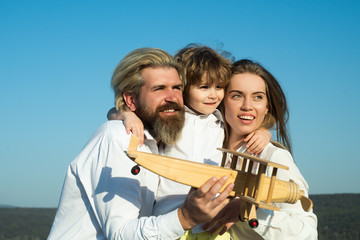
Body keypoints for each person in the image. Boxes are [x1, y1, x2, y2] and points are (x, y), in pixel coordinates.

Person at [48, 48, 234, 240]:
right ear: (130, 99)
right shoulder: (120, 136)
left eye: (177, 88)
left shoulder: (158, 140)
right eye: (159, 88)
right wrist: (186, 217)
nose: (172, 98)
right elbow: (120, 234)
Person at [109, 45, 272, 239]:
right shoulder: (171, 117)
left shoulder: (221, 121)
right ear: (185, 88)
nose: (213, 95)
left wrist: (264, 132)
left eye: (219, 87)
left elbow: (247, 124)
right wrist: (127, 114)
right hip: (170, 220)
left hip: (212, 225)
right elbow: (113, 112)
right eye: (204, 87)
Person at [204, 59, 318, 239]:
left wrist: (248, 211)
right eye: (237, 95)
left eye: (258, 96)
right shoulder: (208, 148)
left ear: (266, 108)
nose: (247, 105)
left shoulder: (274, 157)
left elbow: (308, 233)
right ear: (222, 101)